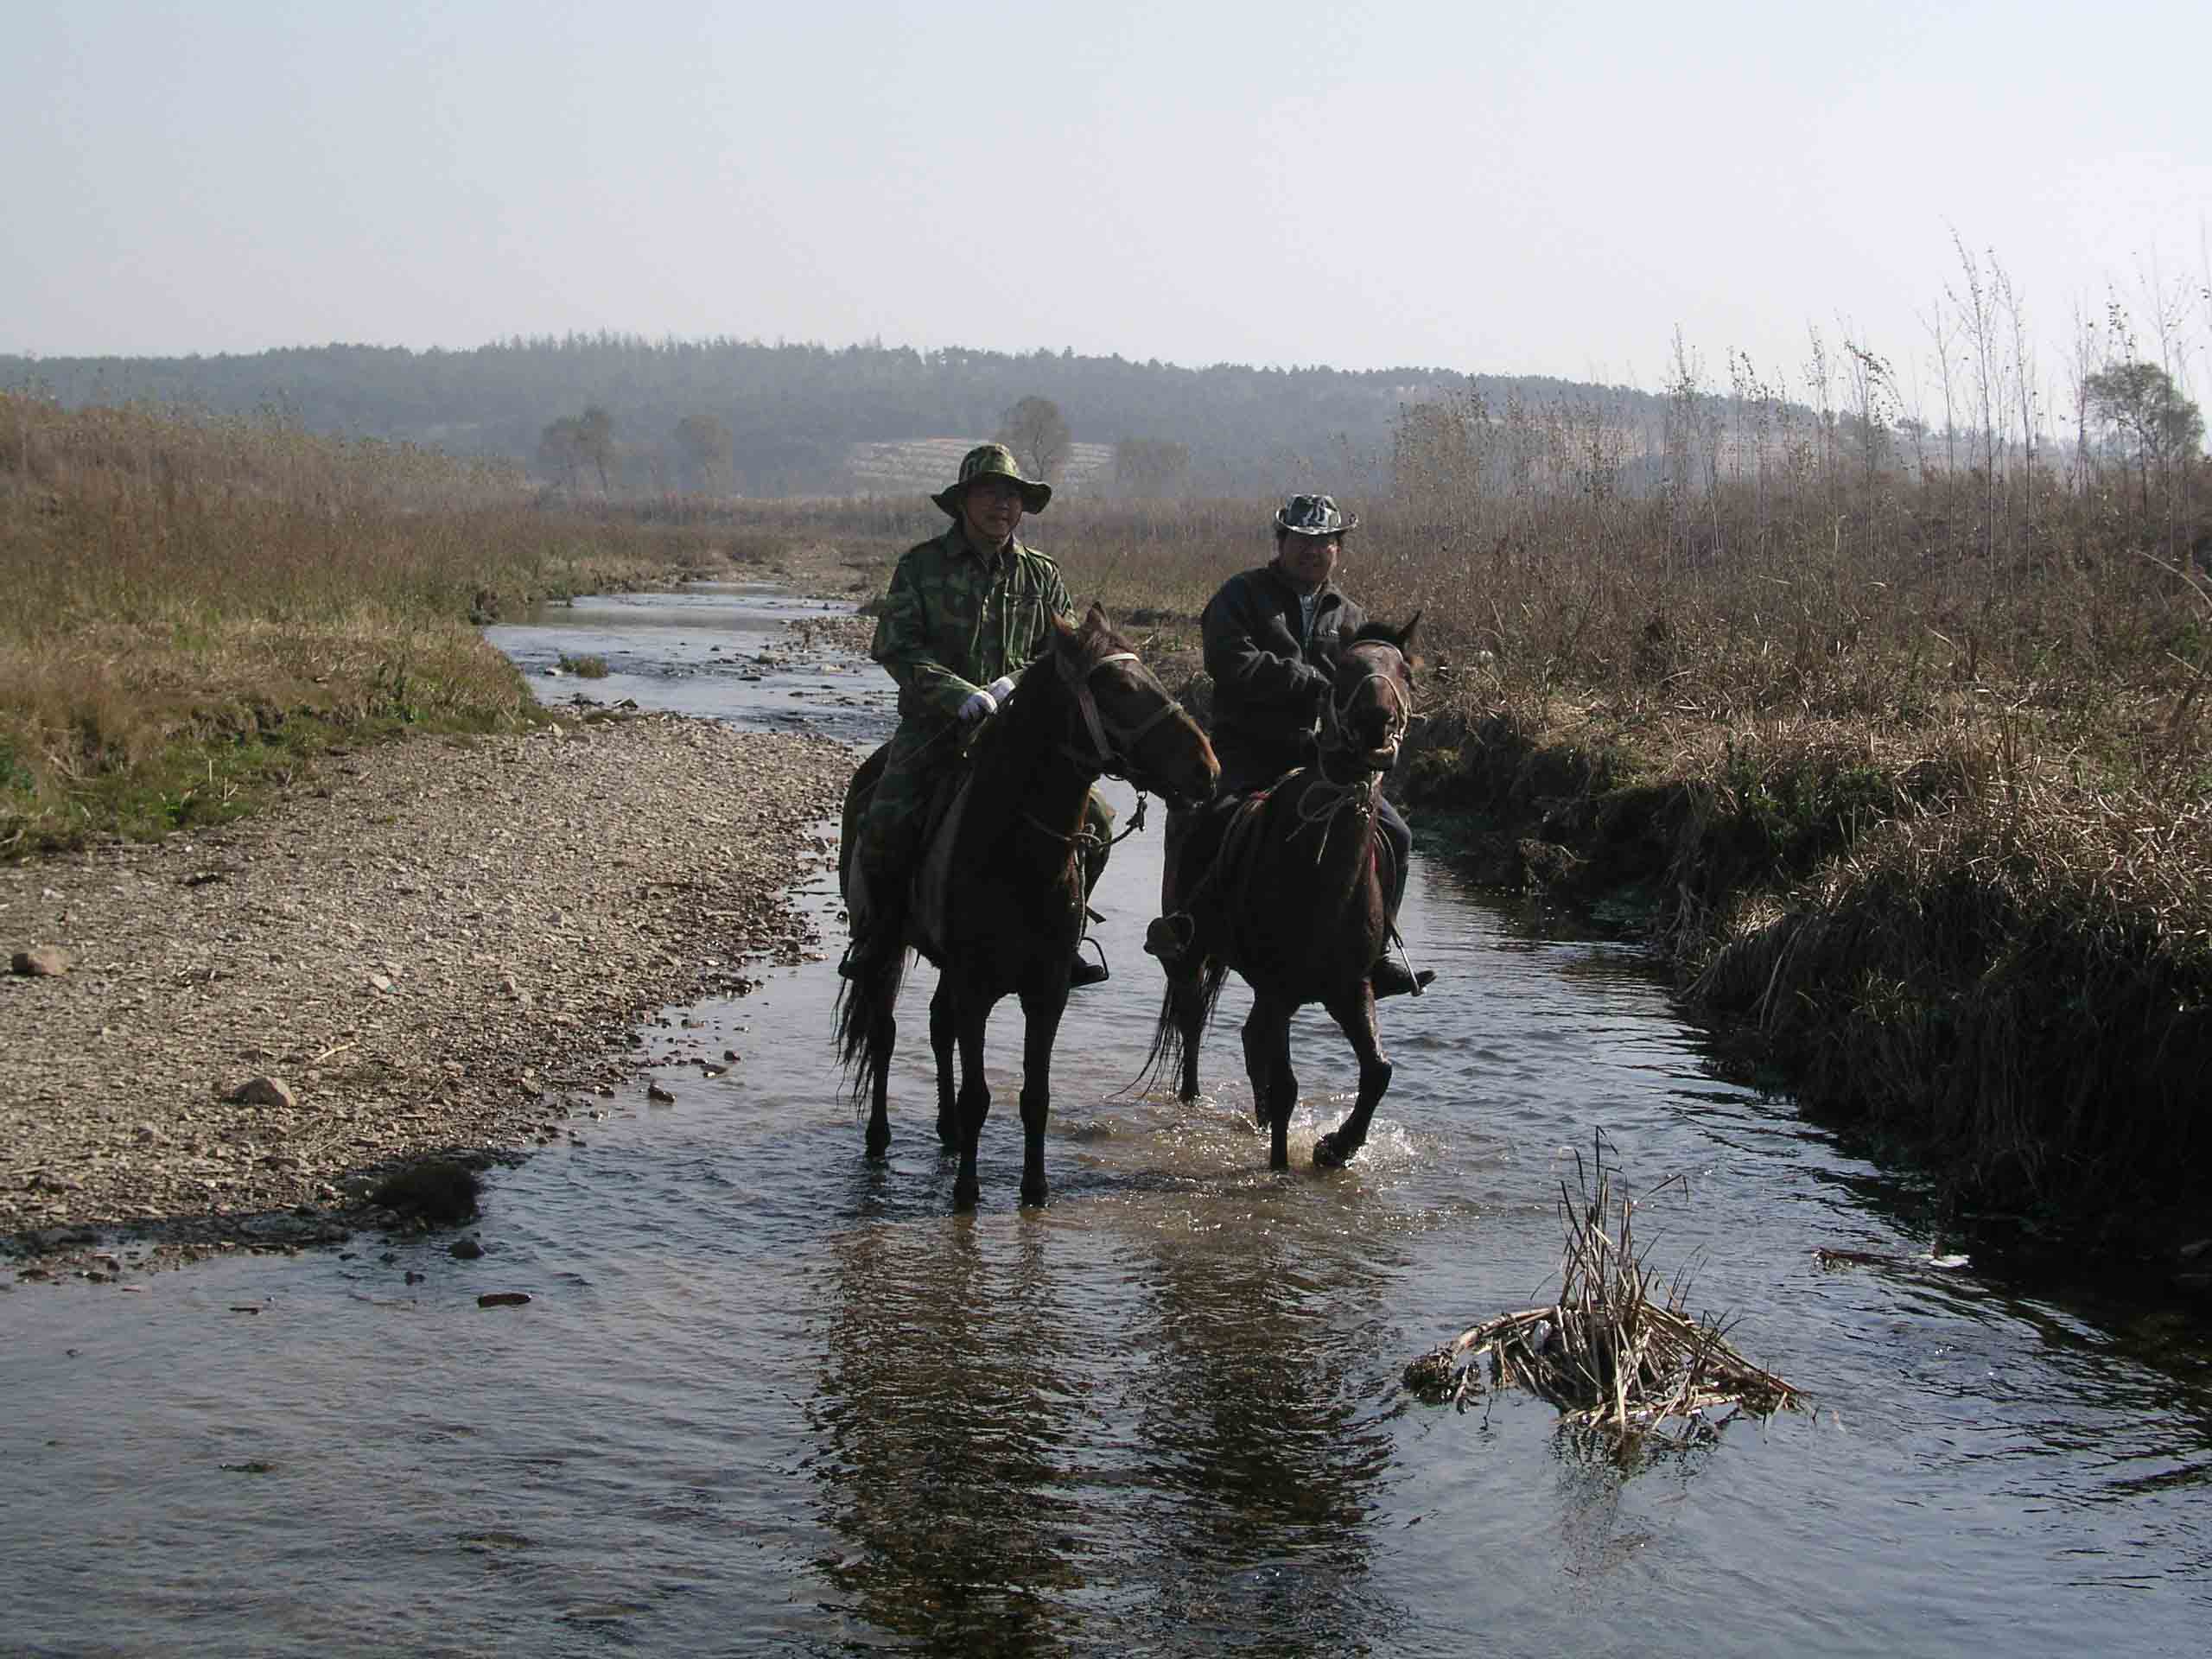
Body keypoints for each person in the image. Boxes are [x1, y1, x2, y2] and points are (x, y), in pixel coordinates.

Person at [843, 442, 1115, 986]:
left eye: (1012, 496)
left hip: (1022, 736)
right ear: (964, 502)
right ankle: (876, 934)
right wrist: (957, 694)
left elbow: (1061, 653)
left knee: (1099, 821)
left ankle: (1069, 929)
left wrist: (1016, 684)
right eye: (990, 493)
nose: (1002, 505)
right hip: (935, 730)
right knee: (886, 820)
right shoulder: (921, 566)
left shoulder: (1042, 574)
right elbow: (896, 647)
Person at [1152, 492, 1428, 997]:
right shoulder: (1240, 596)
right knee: (1204, 818)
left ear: (1338, 549)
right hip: (1247, 751)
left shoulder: (1350, 616)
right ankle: (1184, 929)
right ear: (1281, 542)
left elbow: (1371, 680)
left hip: (1325, 763)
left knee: (1399, 835)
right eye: (1302, 540)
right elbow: (1231, 663)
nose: (1313, 551)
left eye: (1324, 542)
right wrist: (1312, 684)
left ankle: (1377, 949)